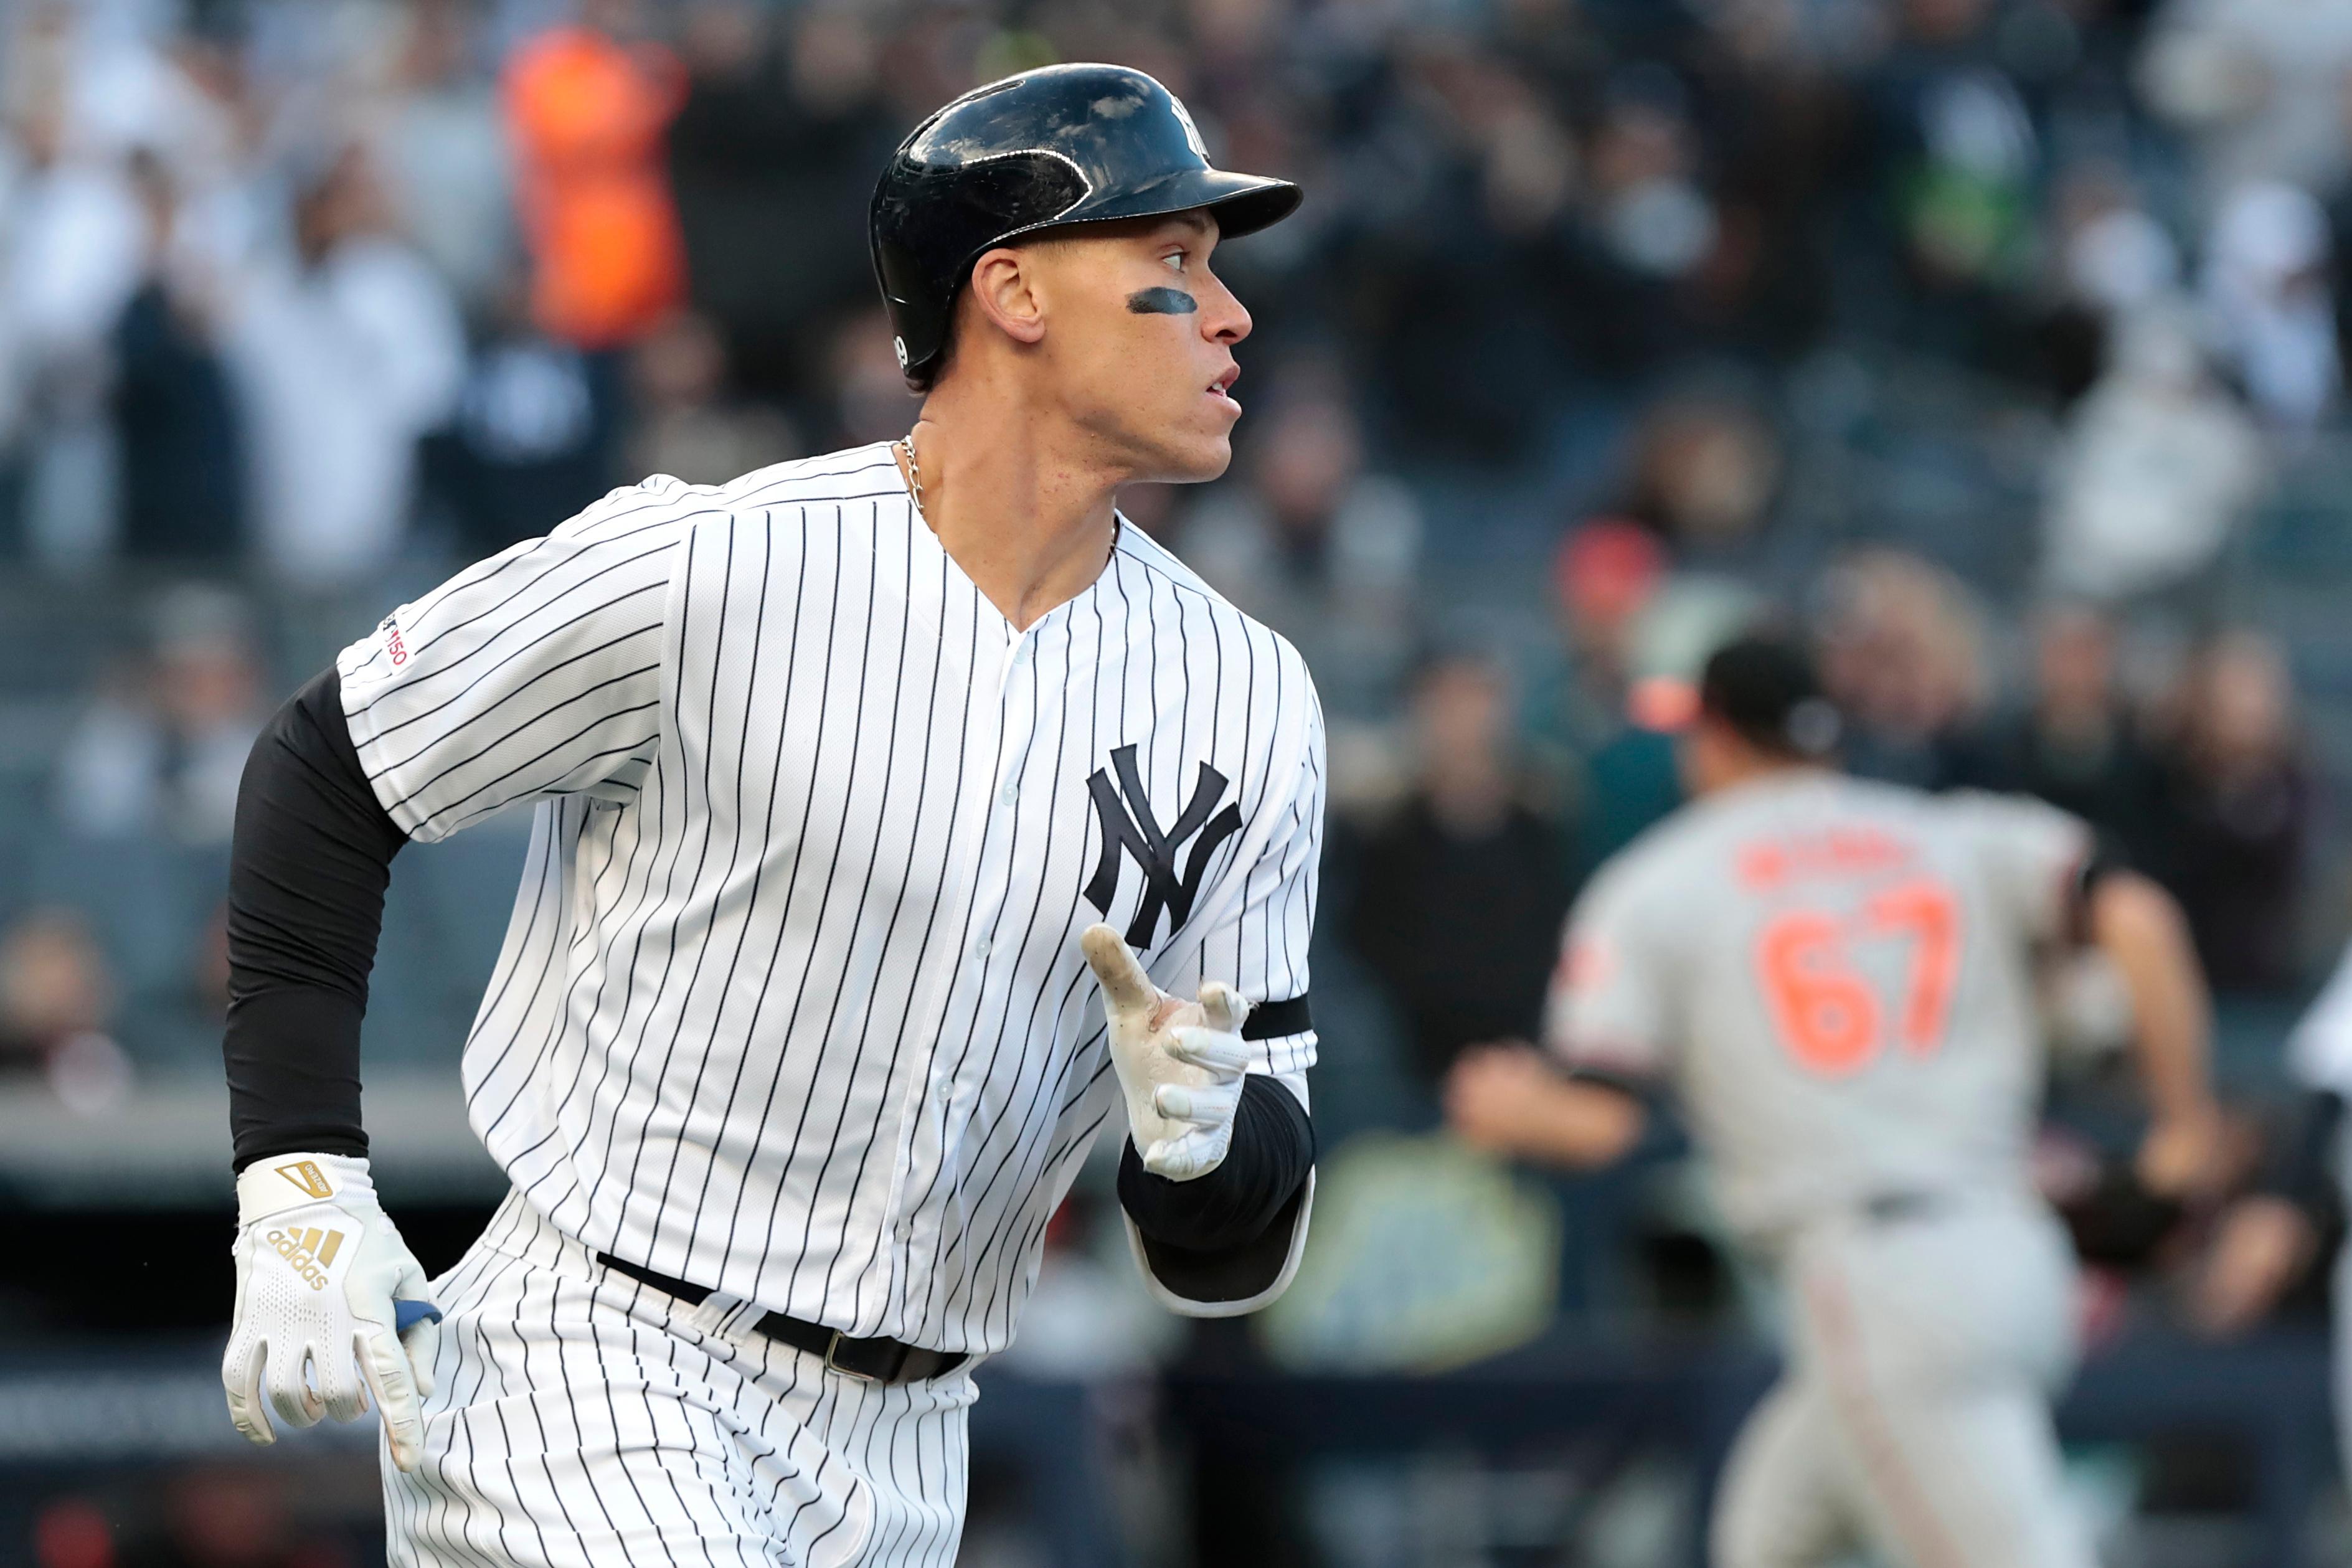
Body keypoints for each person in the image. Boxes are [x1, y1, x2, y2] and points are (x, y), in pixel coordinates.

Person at [215, 64, 1322, 1567]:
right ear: (1011, 291)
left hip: (915, 1439)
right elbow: (329, 765)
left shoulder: (1251, 696)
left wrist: (1199, 1153)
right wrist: (299, 1177)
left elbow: (1235, 1255)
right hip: (597, 1357)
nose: (1230, 314)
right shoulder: (711, 566)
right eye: (1171, 265)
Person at [1445, 633, 2222, 1568]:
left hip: (1877, 1277)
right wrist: (2184, 1124)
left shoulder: (1661, 881)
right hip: (2013, 1246)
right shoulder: (1956, 832)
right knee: (1766, 1542)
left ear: (1710, 735)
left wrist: (1507, 1108)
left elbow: (1602, 1119)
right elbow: (2139, 916)